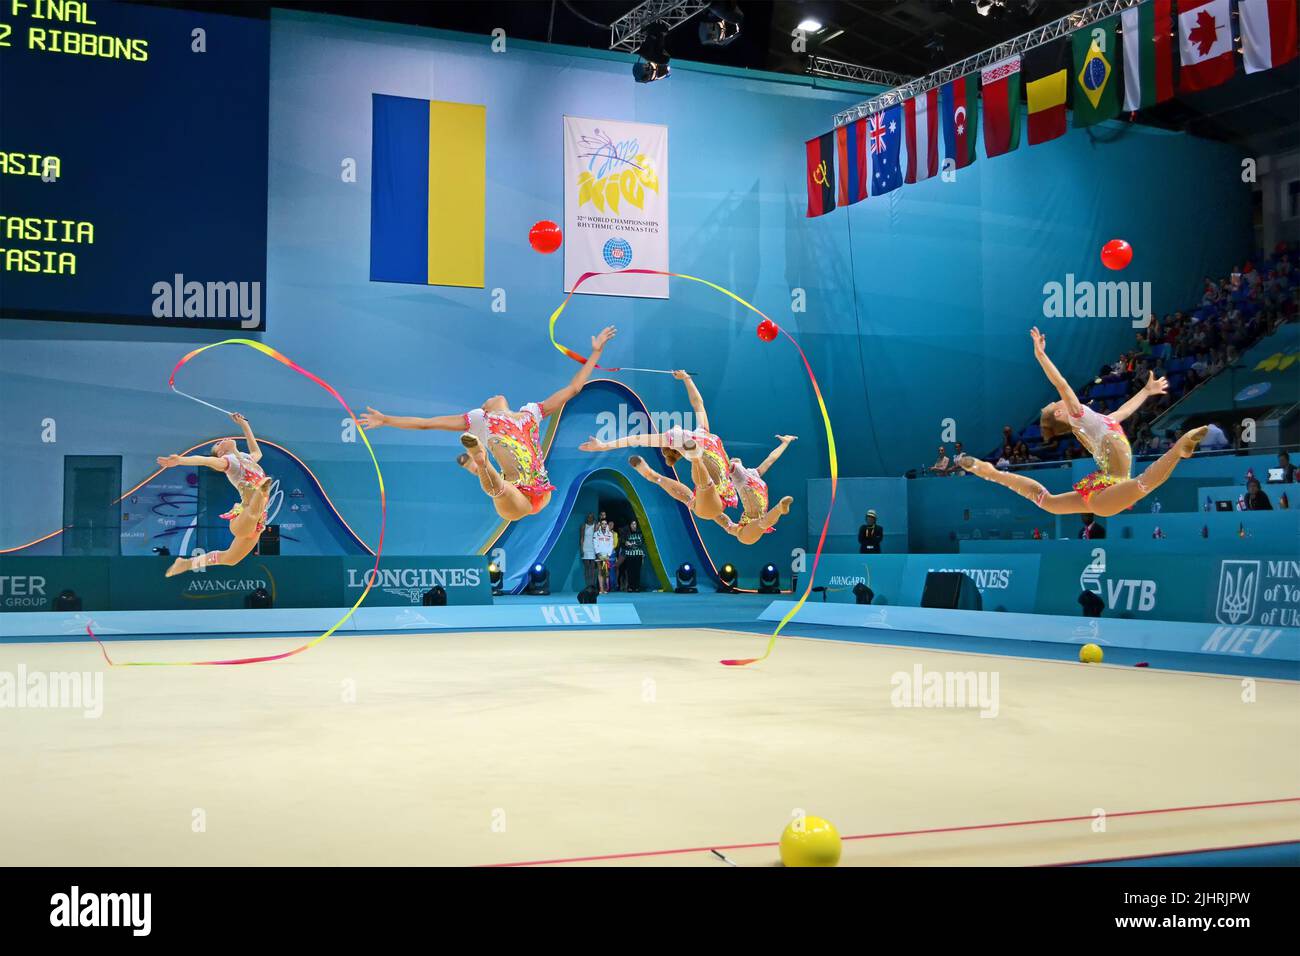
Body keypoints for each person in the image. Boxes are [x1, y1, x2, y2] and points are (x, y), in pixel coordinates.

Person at [361, 325, 617, 521]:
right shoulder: (481, 420)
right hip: (516, 496)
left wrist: (595, 352)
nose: (494, 394)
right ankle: (480, 461)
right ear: (485, 407)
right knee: (501, 490)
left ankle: (476, 465)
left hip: (543, 492)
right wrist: (386, 419)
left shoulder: (531, 414)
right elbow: (427, 424)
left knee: (500, 484)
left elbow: (573, 388)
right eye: (489, 398)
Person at [958, 328, 1207, 517]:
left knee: (1048, 502)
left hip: (1104, 489)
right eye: (1055, 404)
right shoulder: (1077, 416)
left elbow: (1123, 411)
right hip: (1110, 490)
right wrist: (1041, 355)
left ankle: (989, 471)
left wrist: (1146, 391)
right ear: (1059, 414)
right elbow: (1062, 384)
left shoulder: (1098, 422)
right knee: (1143, 483)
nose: (1059, 401)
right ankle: (1178, 450)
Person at [579, 370, 737, 521]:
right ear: (678, 449)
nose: (675, 427)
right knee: (698, 496)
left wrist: (687, 379)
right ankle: (692, 459)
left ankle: (653, 475)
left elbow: (698, 403)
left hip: (723, 493)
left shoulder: (703, 431)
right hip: (710, 500)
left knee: (691, 500)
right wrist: (604, 446)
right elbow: (637, 439)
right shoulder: (674, 439)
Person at [156, 412, 272, 577]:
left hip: (259, 520)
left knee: (231, 559)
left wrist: (244, 424)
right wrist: (180, 460)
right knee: (253, 512)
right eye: (218, 444)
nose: (222, 440)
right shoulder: (227, 462)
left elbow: (256, 451)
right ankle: (258, 493)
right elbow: (204, 460)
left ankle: (186, 564)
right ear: (219, 453)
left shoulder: (247, 458)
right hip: (245, 514)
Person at [710, 436, 798, 545]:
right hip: (752, 524)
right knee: (760, 523)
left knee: (728, 525)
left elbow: (771, 459)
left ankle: (780, 508)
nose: (734, 458)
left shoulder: (753, 473)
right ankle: (780, 508)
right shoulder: (738, 475)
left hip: (750, 524)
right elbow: (723, 463)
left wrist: (785, 443)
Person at [620, 520, 646, 592]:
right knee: (630, 571)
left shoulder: (640, 533)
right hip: (629, 555)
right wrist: (625, 542)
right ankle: (630, 587)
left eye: (635, 524)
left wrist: (632, 544)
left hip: (638, 555)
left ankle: (637, 587)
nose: (634, 526)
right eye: (632, 524)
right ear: (630, 525)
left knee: (637, 571)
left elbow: (641, 542)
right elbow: (622, 541)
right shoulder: (626, 533)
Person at [592, 519, 616, 593]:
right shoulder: (596, 534)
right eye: (603, 524)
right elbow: (595, 544)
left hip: (607, 556)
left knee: (605, 572)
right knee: (600, 572)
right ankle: (601, 589)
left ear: (607, 525)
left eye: (606, 524)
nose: (604, 525)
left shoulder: (610, 534)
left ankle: (605, 589)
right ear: (600, 525)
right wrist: (598, 554)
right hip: (599, 555)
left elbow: (611, 545)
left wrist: (608, 555)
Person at [579, 513, 597, 589]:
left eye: (591, 517)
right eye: (588, 517)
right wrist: (581, 549)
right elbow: (582, 538)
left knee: (593, 567)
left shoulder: (595, 526)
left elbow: (596, 538)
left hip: (593, 548)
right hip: (586, 548)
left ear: (593, 518)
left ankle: (592, 584)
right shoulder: (583, 526)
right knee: (587, 568)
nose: (590, 518)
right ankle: (587, 585)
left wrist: (597, 550)